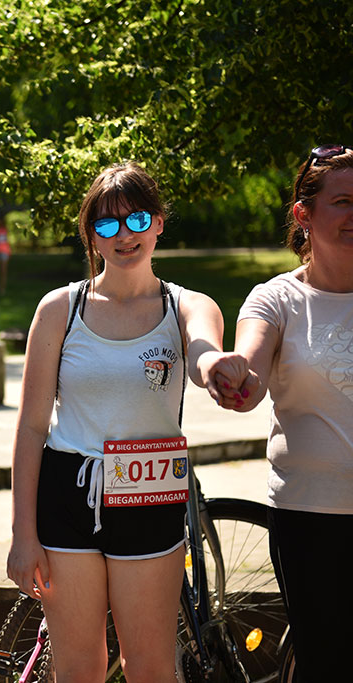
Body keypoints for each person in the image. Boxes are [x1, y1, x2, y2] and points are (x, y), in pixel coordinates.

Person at [5, 162, 228, 680]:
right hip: (68, 493)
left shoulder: (187, 305)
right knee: (79, 667)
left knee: (149, 666)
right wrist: (22, 532)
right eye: (106, 225)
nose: (123, 235)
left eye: (137, 219)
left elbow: (202, 350)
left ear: (159, 224)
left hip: (149, 494)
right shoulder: (60, 308)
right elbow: (33, 426)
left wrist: (218, 366)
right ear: (92, 237)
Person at [203, 144, 353, 680]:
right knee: (327, 663)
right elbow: (251, 364)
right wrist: (234, 375)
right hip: (309, 519)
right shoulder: (276, 300)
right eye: (343, 201)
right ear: (304, 214)